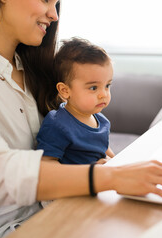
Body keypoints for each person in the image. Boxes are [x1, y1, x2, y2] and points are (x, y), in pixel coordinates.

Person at [0, 0, 162, 238]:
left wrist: (112, 168)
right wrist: (109, 176)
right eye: (45, 0)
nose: (54, 15)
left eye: (56, 4)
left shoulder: (32, 66)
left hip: (58, 210)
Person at [37, 37, 115, 165]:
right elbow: (46, 164)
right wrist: (91, 172)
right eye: (93, 87)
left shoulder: (102, 121)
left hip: (102, 180)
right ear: (65, 90)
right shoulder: (58, 124)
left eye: (107, 85)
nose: (103, 94)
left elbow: (105, 149)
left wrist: (118, 163)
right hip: (77, 183)